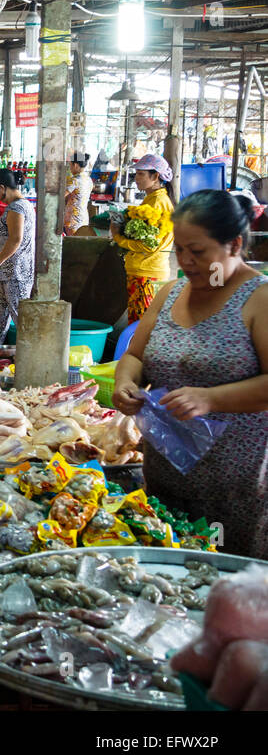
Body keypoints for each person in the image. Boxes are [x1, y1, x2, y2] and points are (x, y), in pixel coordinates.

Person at [112, 190, 268, 559]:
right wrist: (125, 383)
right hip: (165, 479)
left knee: (222, 588)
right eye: (179, 250)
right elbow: (135, 355)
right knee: (166, 579)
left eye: (197, 252)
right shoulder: (171, 293)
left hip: (235, 488)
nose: (186, 262)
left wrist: (210, 398)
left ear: (234, 244)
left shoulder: (258, 300)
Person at [112, 153, 176, 322]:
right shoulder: (153, 199)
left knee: (141, 325)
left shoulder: (157, 202)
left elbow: (149, 246)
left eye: (141, 174)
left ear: (155, 176)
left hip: (146, 273)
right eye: (137, 174)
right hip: (145, 270)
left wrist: (118, 237)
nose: (136, 179)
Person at [0, 169, 35, 344]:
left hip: (15, 273)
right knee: (2, 316)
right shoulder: (23, 205)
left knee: (20, 318)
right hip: (9, 273)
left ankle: (32, 356)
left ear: (2, 187)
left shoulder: (17, 208)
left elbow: (15, 239)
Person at [63, 151, 93, 234]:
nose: (70, 168)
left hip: (73, 219)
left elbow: (61, 196)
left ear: (75, 165)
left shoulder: (75, 181)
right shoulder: (88, 180)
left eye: (70, 165)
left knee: (72, 243)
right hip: (83, 218)